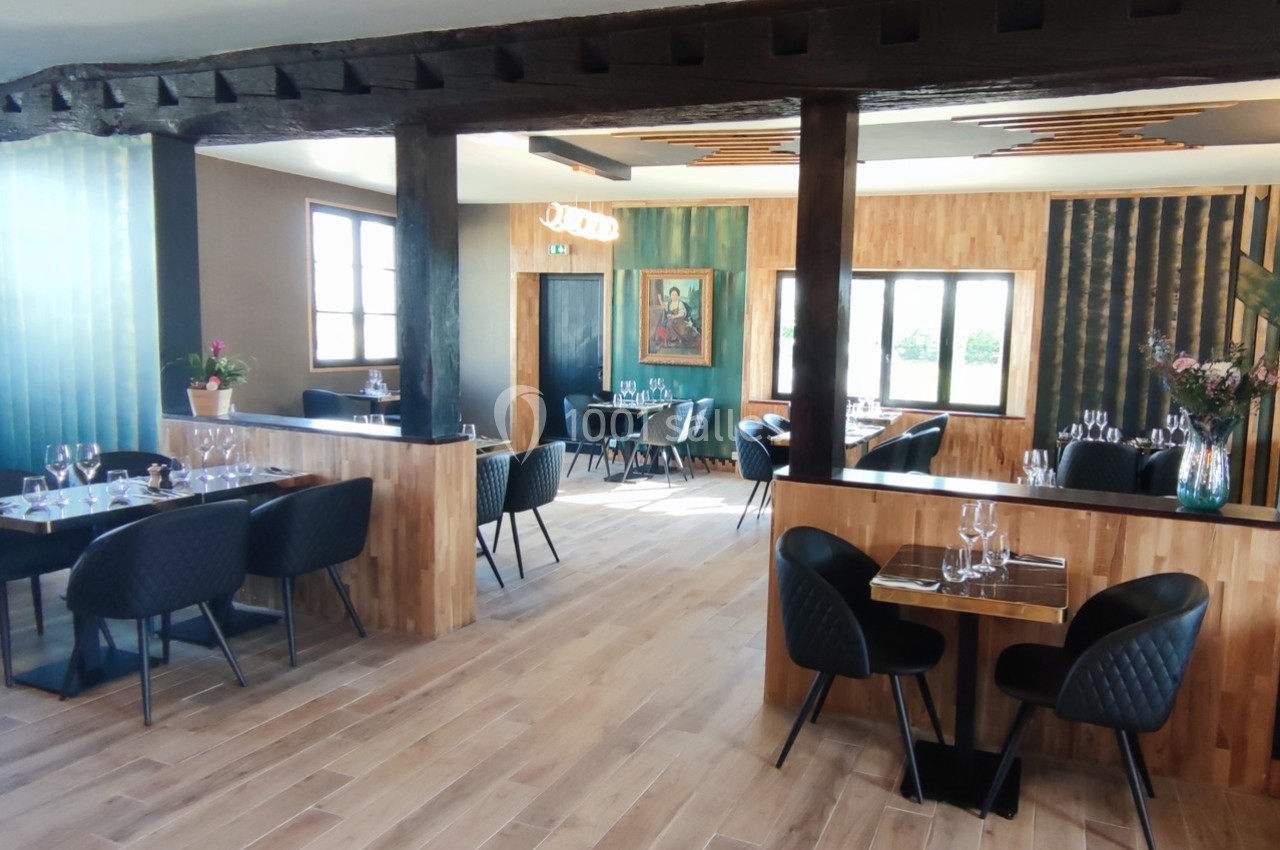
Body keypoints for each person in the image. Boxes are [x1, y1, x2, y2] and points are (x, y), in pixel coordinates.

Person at [654, 285, 700, 350]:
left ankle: (681, 340)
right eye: (672, 294)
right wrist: (660, 299)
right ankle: (673, 340)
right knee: (668, 324)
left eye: (675, 294)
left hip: (680, 320)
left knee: (683, 331)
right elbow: (664, 306)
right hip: (671, 320)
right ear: (670, 295)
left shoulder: (680, 303)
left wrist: (674, 316)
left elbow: (682, 313)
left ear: (678, 295)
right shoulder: (669, 303)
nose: (674, 296)